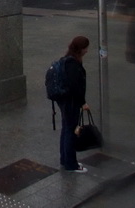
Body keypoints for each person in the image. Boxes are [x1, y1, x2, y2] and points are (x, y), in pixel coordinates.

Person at [58, 35, 91, 173]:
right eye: (86, 48)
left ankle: (64, 159)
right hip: (71, 102)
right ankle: (71, 164)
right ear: (81, 49)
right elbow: (74, 86)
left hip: (65, 101)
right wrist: (82, 102)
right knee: (70, 131)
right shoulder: (73, 64)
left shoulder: (68, 59)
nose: (87, 50)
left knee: (66, 129)